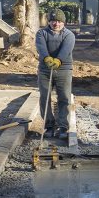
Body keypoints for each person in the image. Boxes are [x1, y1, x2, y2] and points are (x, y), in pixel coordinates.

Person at [36, 9, 76, 139]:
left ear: (63, 22)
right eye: (53, 21)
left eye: (59, 21)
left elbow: (66, 50)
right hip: (45, 70)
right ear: (49, 21)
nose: (56, 24)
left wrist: (58, 60)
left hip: (64, 70)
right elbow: (41, 48)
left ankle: (63, 126)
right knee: (44, 97)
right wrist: (47, 58)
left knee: (64, 97)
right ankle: (49, 126)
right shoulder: (41, 33)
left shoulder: (69, 35)